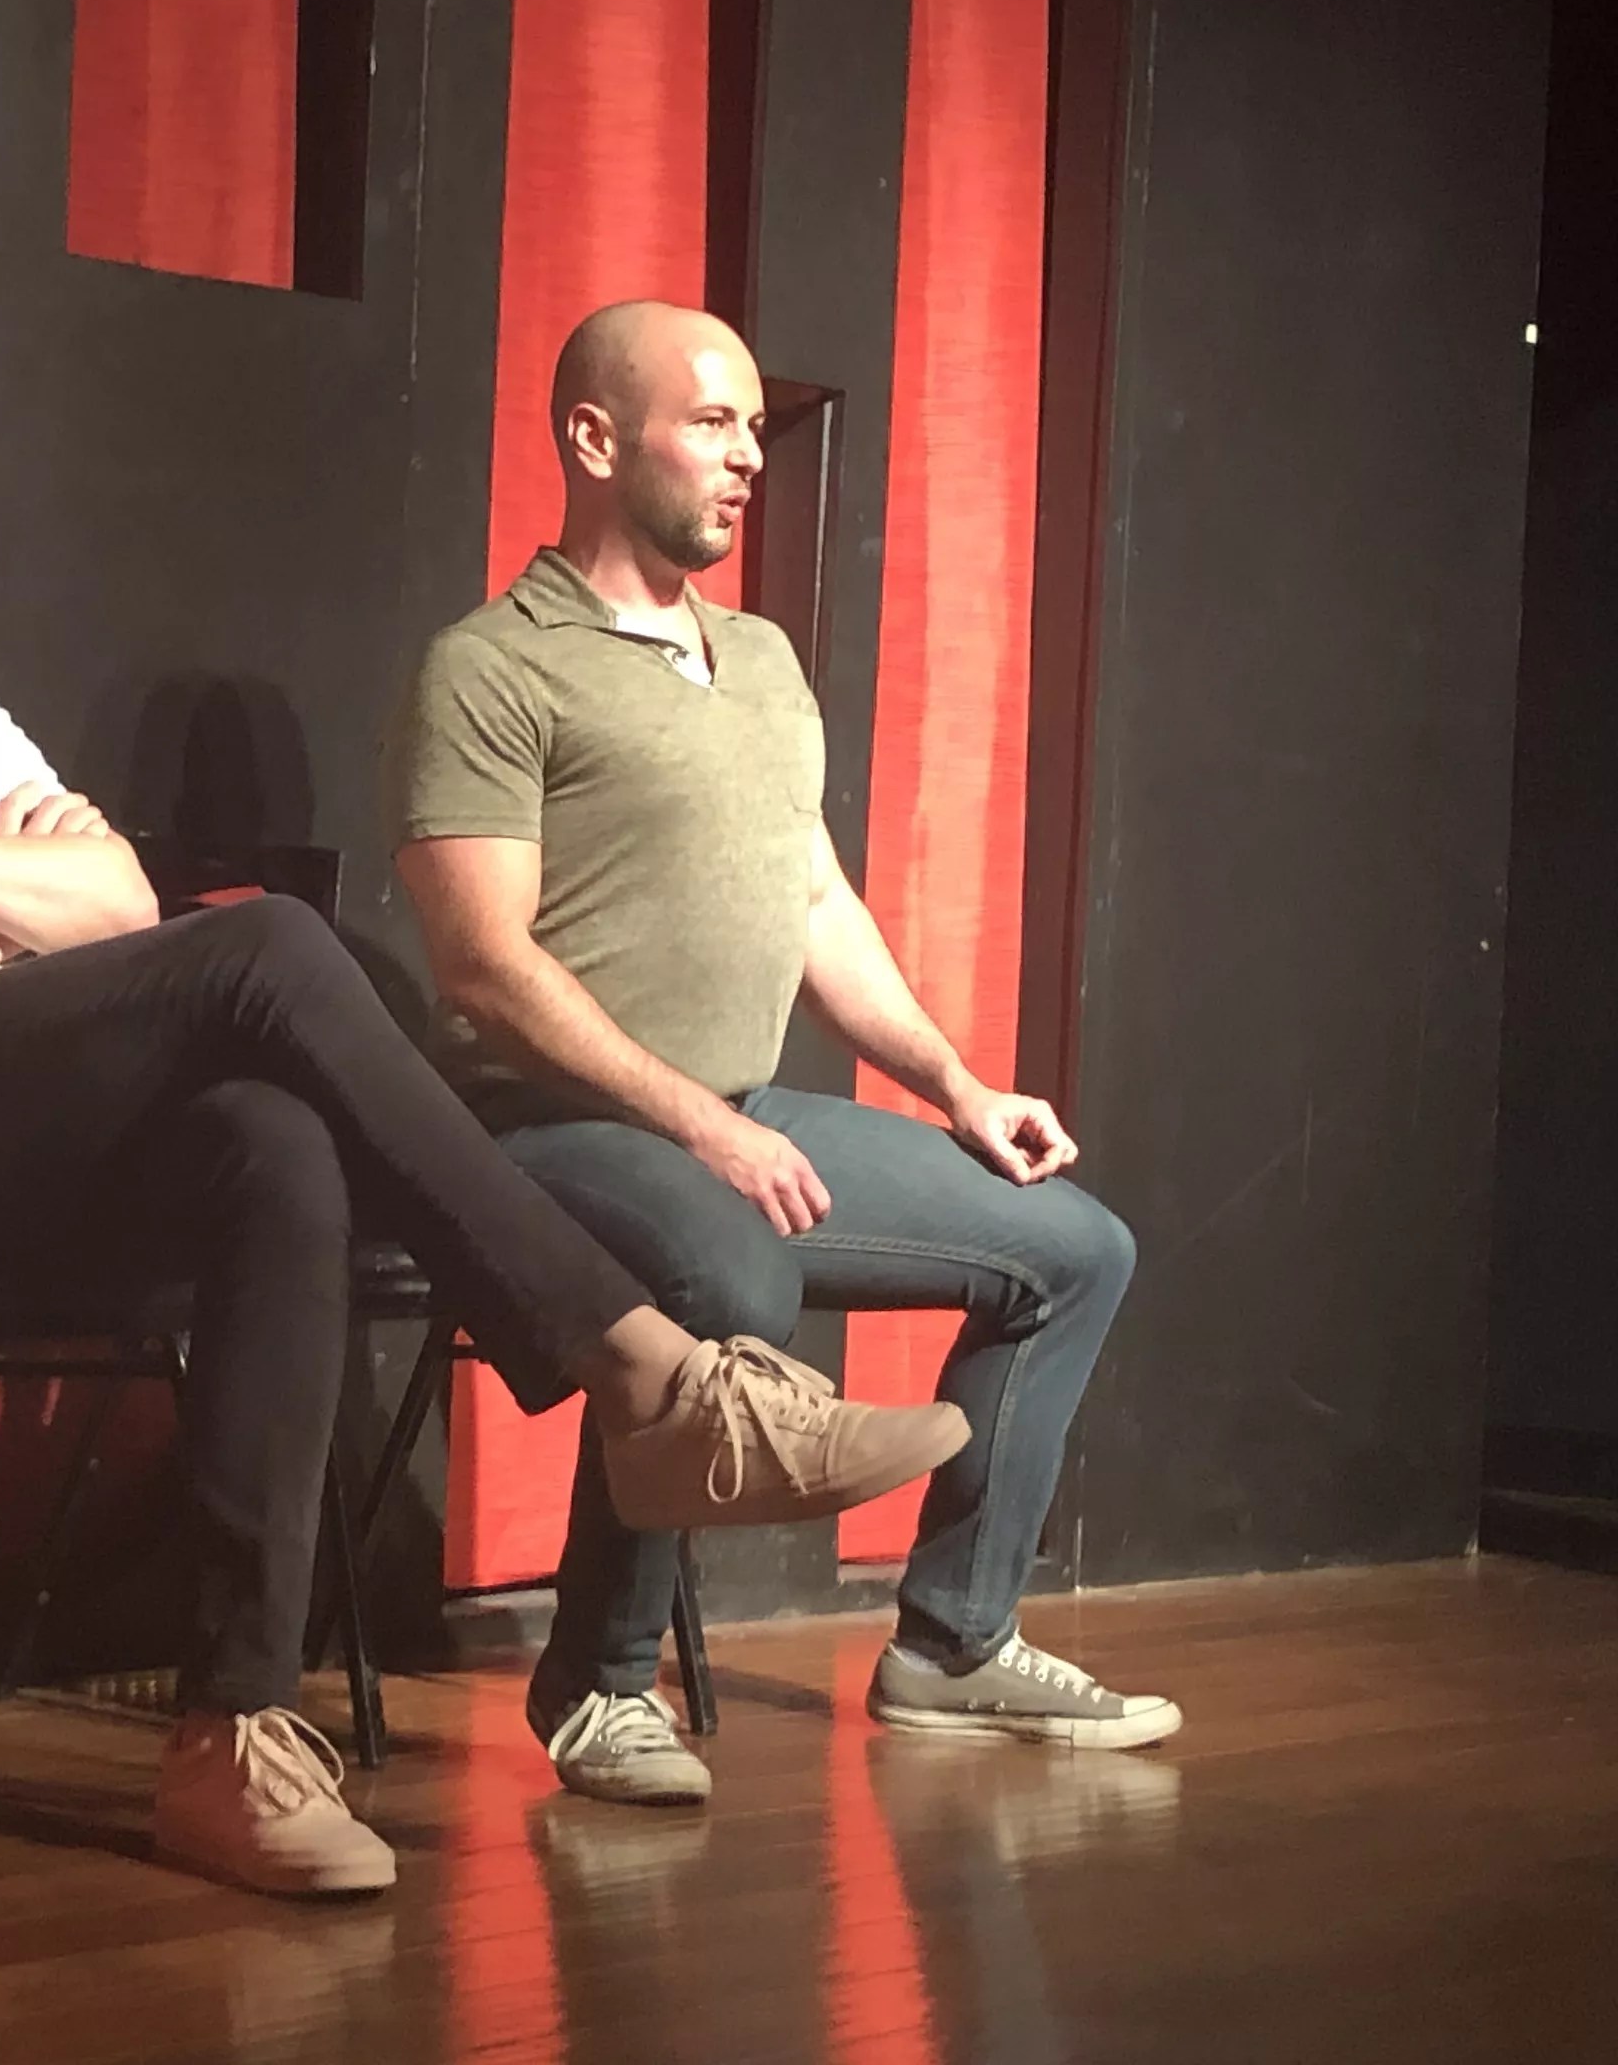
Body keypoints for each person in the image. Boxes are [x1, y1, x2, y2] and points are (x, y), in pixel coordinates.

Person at [0, 317, 972, 1898]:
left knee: (267, 1144)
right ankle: (647, 1376)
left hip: (1, 1109)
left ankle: (230, 1735)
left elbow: (113, 904)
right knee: (270, 950)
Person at [386, 301, 1177, 1812]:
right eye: (712, 422)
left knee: (1076, 1250)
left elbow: (817, 903)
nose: (749, 455)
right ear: (594, 439)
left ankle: (952, 1642)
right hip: (536, 1130)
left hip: (729, 1115)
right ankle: (601, 1684)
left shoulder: (755, 659)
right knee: (730, 1275)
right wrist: (702, 1130)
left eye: (754, 426)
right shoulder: (490, 667)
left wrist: (956, 1086)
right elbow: (484, 967)